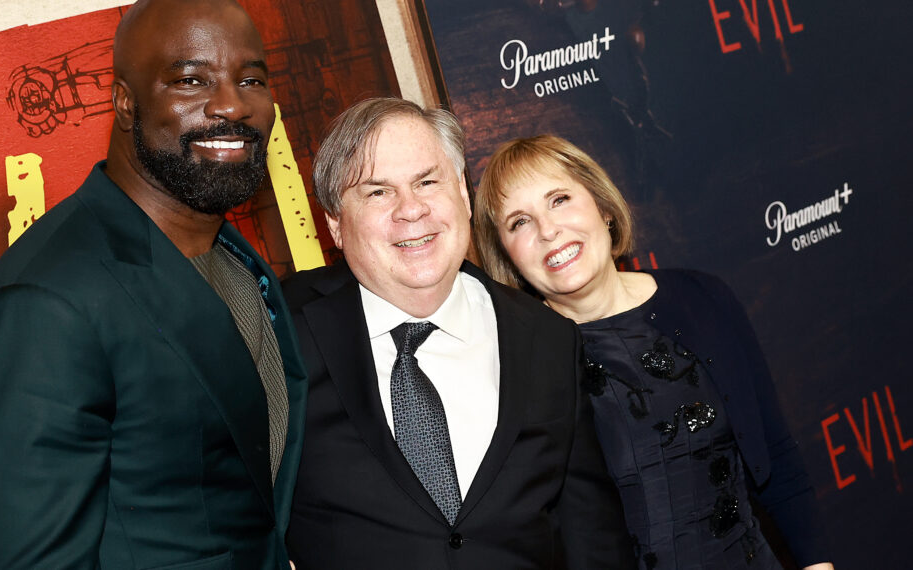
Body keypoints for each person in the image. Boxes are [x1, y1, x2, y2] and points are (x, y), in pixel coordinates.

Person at [0, 1, 306, 568]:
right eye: (190, 79)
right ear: (124, 103)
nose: (233, 104)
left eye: (251, 79)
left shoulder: (232, 258)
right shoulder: (38, 306)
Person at [282, 97, 635, 569]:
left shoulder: (549, 340)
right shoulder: (280, 330)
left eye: (428, 182)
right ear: (335, 225)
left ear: (463, 197)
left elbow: (593, 538)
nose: (412, 210)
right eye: (377, 192)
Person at [473, 134, 834, 570]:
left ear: (603, 208)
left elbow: (777, 459)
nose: (548, 230)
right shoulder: (516, 366)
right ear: (507, 258)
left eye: (560, 199)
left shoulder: (702, 299)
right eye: (519, 222)